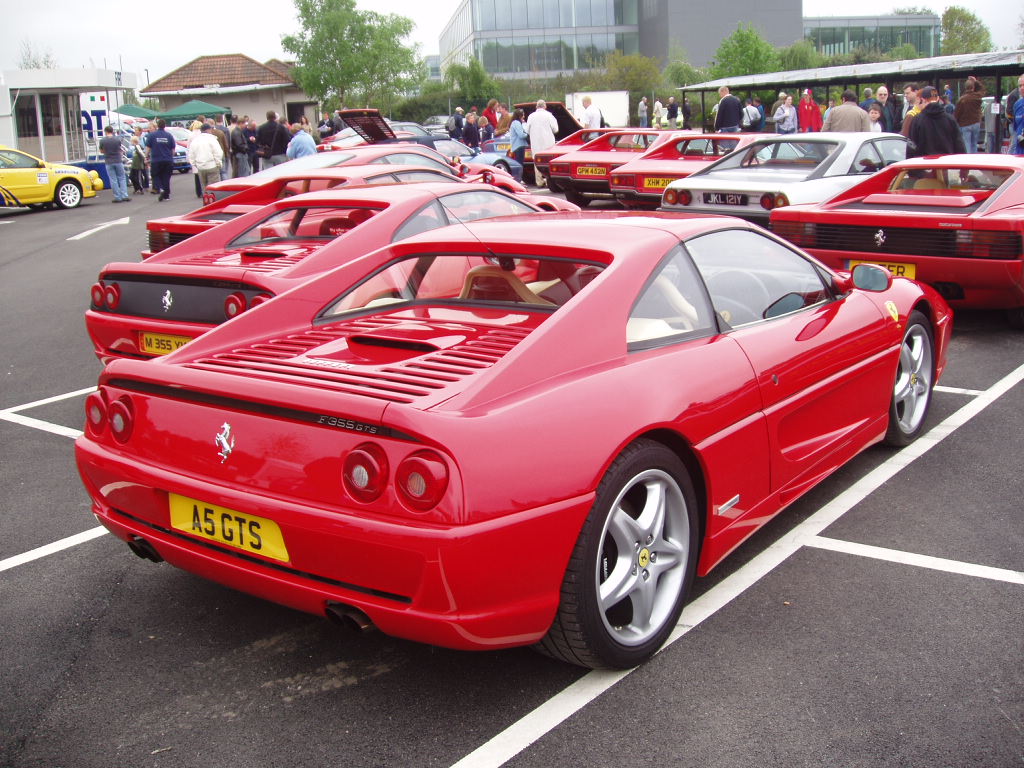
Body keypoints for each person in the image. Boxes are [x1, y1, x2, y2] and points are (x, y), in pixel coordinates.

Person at [908, 86, 966, 157]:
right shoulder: (950, 119)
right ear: (938, 99)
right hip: (947, 163)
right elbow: (959, 145)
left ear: (923, 99)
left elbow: (912, 146)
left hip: (924, 164)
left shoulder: (917, 120)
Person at [188, 123, 224, 194]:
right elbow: (218, 153)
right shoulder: (212, 139)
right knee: (213, 188)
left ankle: (206, 201)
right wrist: (218, 163)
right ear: (208, 130)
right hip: (212, 165)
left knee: (204, 188)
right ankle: (214, 202)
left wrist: (195, 164)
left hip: (201, 167)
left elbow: (191, 155)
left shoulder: (195, 141)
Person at [98, 125, 129, 203]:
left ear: (106, 131)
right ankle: (125, 195)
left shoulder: (102, 141)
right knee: (122, 178)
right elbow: (119, 149)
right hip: (118, 160)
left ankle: (117, 197)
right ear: (112, 131)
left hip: (109, 161)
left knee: (113, 180)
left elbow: (101, 151)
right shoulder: (117, 139)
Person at [148, 118, 176, 201]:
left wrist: (146, 156)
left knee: (155, 175)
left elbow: (148, 148)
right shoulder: (169, 136)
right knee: (166, 177)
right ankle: (166, 195)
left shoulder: (152, 135)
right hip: (167, 160)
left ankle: (160, 188)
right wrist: (171, 156)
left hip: (156, 160)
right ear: (165, 126)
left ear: (157, 126)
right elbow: (173, 150)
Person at [954, 76, 984, 153]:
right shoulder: (977, 96)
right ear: (973, 87)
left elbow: (957, 113)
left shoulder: (962, 99)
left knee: (967, 144)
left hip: (965, 124)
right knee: (974, 143)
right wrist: (976, 81)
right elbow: (982, 90)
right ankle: (974, 159)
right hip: (976, 123)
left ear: (965, 87)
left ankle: (968, 160)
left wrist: (955, 123)